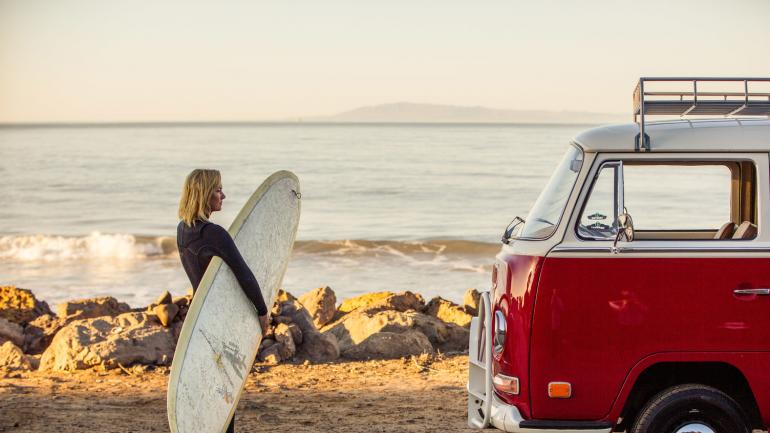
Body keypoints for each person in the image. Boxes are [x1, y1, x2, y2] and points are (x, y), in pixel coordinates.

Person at [176, 168, 270, 433]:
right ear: (204, 194)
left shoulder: (183, 230)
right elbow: (244, 274)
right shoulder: (214, 234)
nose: (223, 195)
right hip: (219, 325)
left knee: (213, 392)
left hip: (199, 322)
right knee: (224, 394)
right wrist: (262, 312)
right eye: (218, 190)